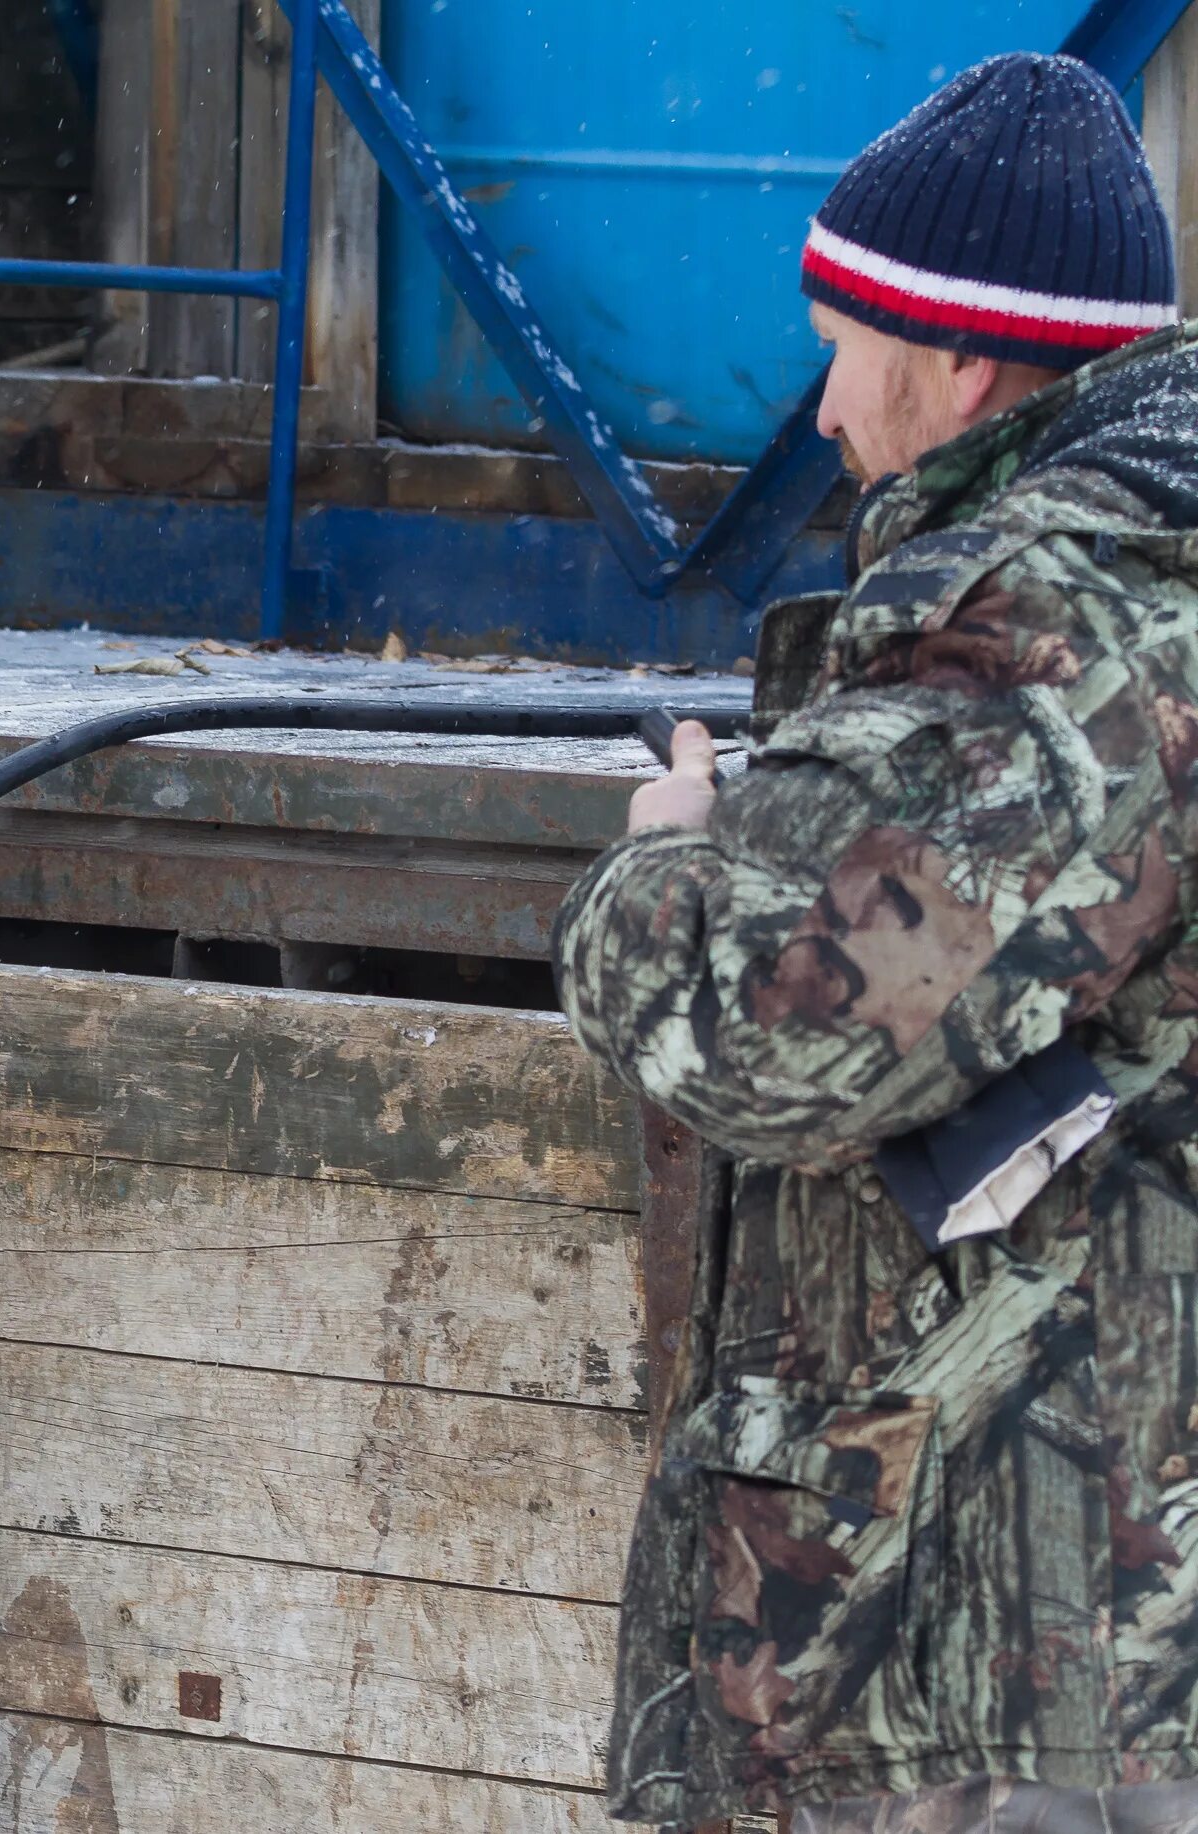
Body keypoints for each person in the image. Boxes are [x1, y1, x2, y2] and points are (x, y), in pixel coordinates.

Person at [553, 51, 1198, 1834]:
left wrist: (661, 873)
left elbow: (766, 1025)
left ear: (965, 360)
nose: (826, 409)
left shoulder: (1057, 634)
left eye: (848, 344)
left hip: (1010, 1649)